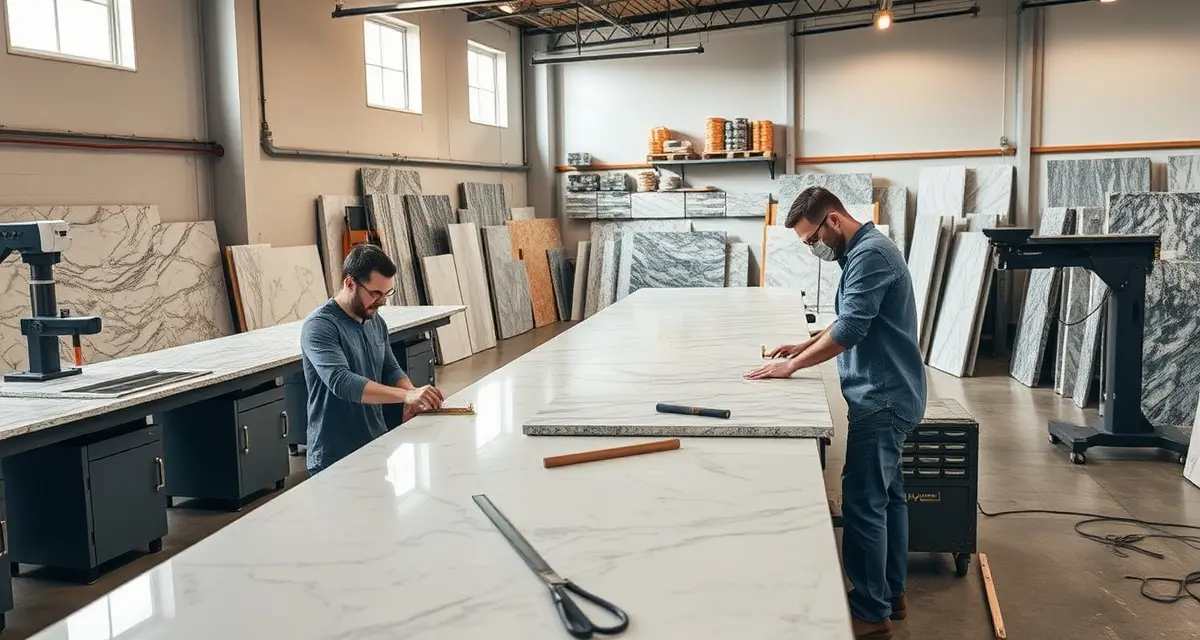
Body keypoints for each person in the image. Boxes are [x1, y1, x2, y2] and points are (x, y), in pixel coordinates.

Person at [744, 186, 926, 639]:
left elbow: (850, 328)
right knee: (888, 495)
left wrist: (791, 366)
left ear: (833, 221)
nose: (813, 250)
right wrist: (804, 343)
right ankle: (891, 594)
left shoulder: (870, 256)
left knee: (864, 503)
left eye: (812, 240)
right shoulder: (862, 251)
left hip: (881, 399)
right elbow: (851, 313)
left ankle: (869, 612)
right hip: (891, 392)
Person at [300, 243, 444, 476]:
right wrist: (406, 395)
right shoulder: (320, 326)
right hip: (334, 457)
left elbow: (389, 367)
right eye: (376, 293)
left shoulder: (375, 321)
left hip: (375, 445)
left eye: (387, 293)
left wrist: (412, 395)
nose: (383, 301)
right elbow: (341, 382)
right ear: (350, 283)